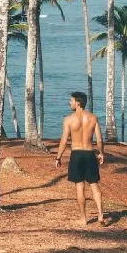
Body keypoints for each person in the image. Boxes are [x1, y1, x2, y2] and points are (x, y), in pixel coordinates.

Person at [55, 91, 105, 226]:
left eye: (71, 101)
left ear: (78, 103)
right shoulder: (93, 118)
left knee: (80, 187)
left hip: (76, 155)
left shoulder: (69, 120)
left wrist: (58, 157)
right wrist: (101, 153)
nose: (69, 103)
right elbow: (99, 139)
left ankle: (83, 219)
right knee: (94, 185)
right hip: (89, 154)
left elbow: (64, 141)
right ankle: (100, 215)